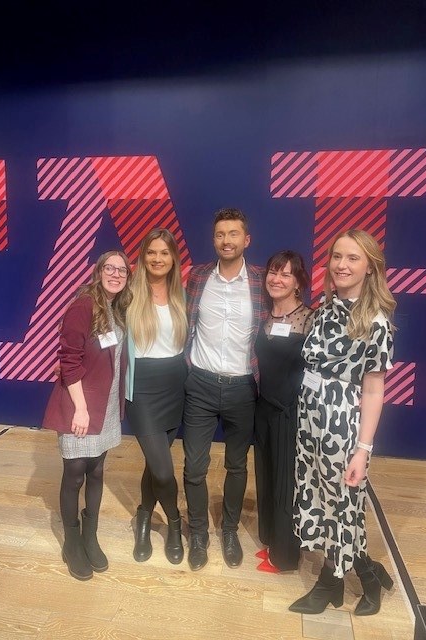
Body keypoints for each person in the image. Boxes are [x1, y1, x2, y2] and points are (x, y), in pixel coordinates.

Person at [290, 229, 396, 616]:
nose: (342, 265)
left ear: (370, 268)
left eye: (353, 258)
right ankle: (367, 572)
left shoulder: (375, 323)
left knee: (342, 508)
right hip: (311, 421)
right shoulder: (325, 308)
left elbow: (373, 392)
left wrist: (362, 450)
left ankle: (339, 582)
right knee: (323, 502)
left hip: (342, 427)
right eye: (337, 256)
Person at [183, 207, 265, 571]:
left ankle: (229, 529)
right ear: (213, 239)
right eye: (220, 234)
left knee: (236, 466)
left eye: (233, 234)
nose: (226, 240)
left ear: (246, 240)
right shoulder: (197, 277)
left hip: (243, 388)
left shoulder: (263, 280)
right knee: (193, 467)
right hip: (199, 383)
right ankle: (198, 532)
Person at [43, 250, 133, 580]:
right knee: (75, 473)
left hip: (106, 407)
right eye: (109, 268)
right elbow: (69, 360)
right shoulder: (83, 306)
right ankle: (72, 542)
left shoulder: (117, 309)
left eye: (122, 270)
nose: (115, 274)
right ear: (98, 272)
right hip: (80, 406)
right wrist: (79, 408)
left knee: (96, 471)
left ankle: (90, 537)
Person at [125, 228, 188, 565]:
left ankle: (144, 519)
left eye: (164, 253)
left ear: (173, 258)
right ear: (143, 256)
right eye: (152, 252)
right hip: (143, 389)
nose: (158, 259)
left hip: (175, 385)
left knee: (155, 463)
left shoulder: (182, 295)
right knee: (163, 470)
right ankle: (175, 524)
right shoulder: (129, 295)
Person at [254, 250, 313, 573]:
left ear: (297, 282)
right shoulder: (264, 317)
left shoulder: (309, 319)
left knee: (286, 484)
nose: (277, 279)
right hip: (263, 409)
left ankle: (286, 555)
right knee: (266, 475)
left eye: (286, 274)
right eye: (273, 272)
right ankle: (272, 541)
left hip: (291, 413)